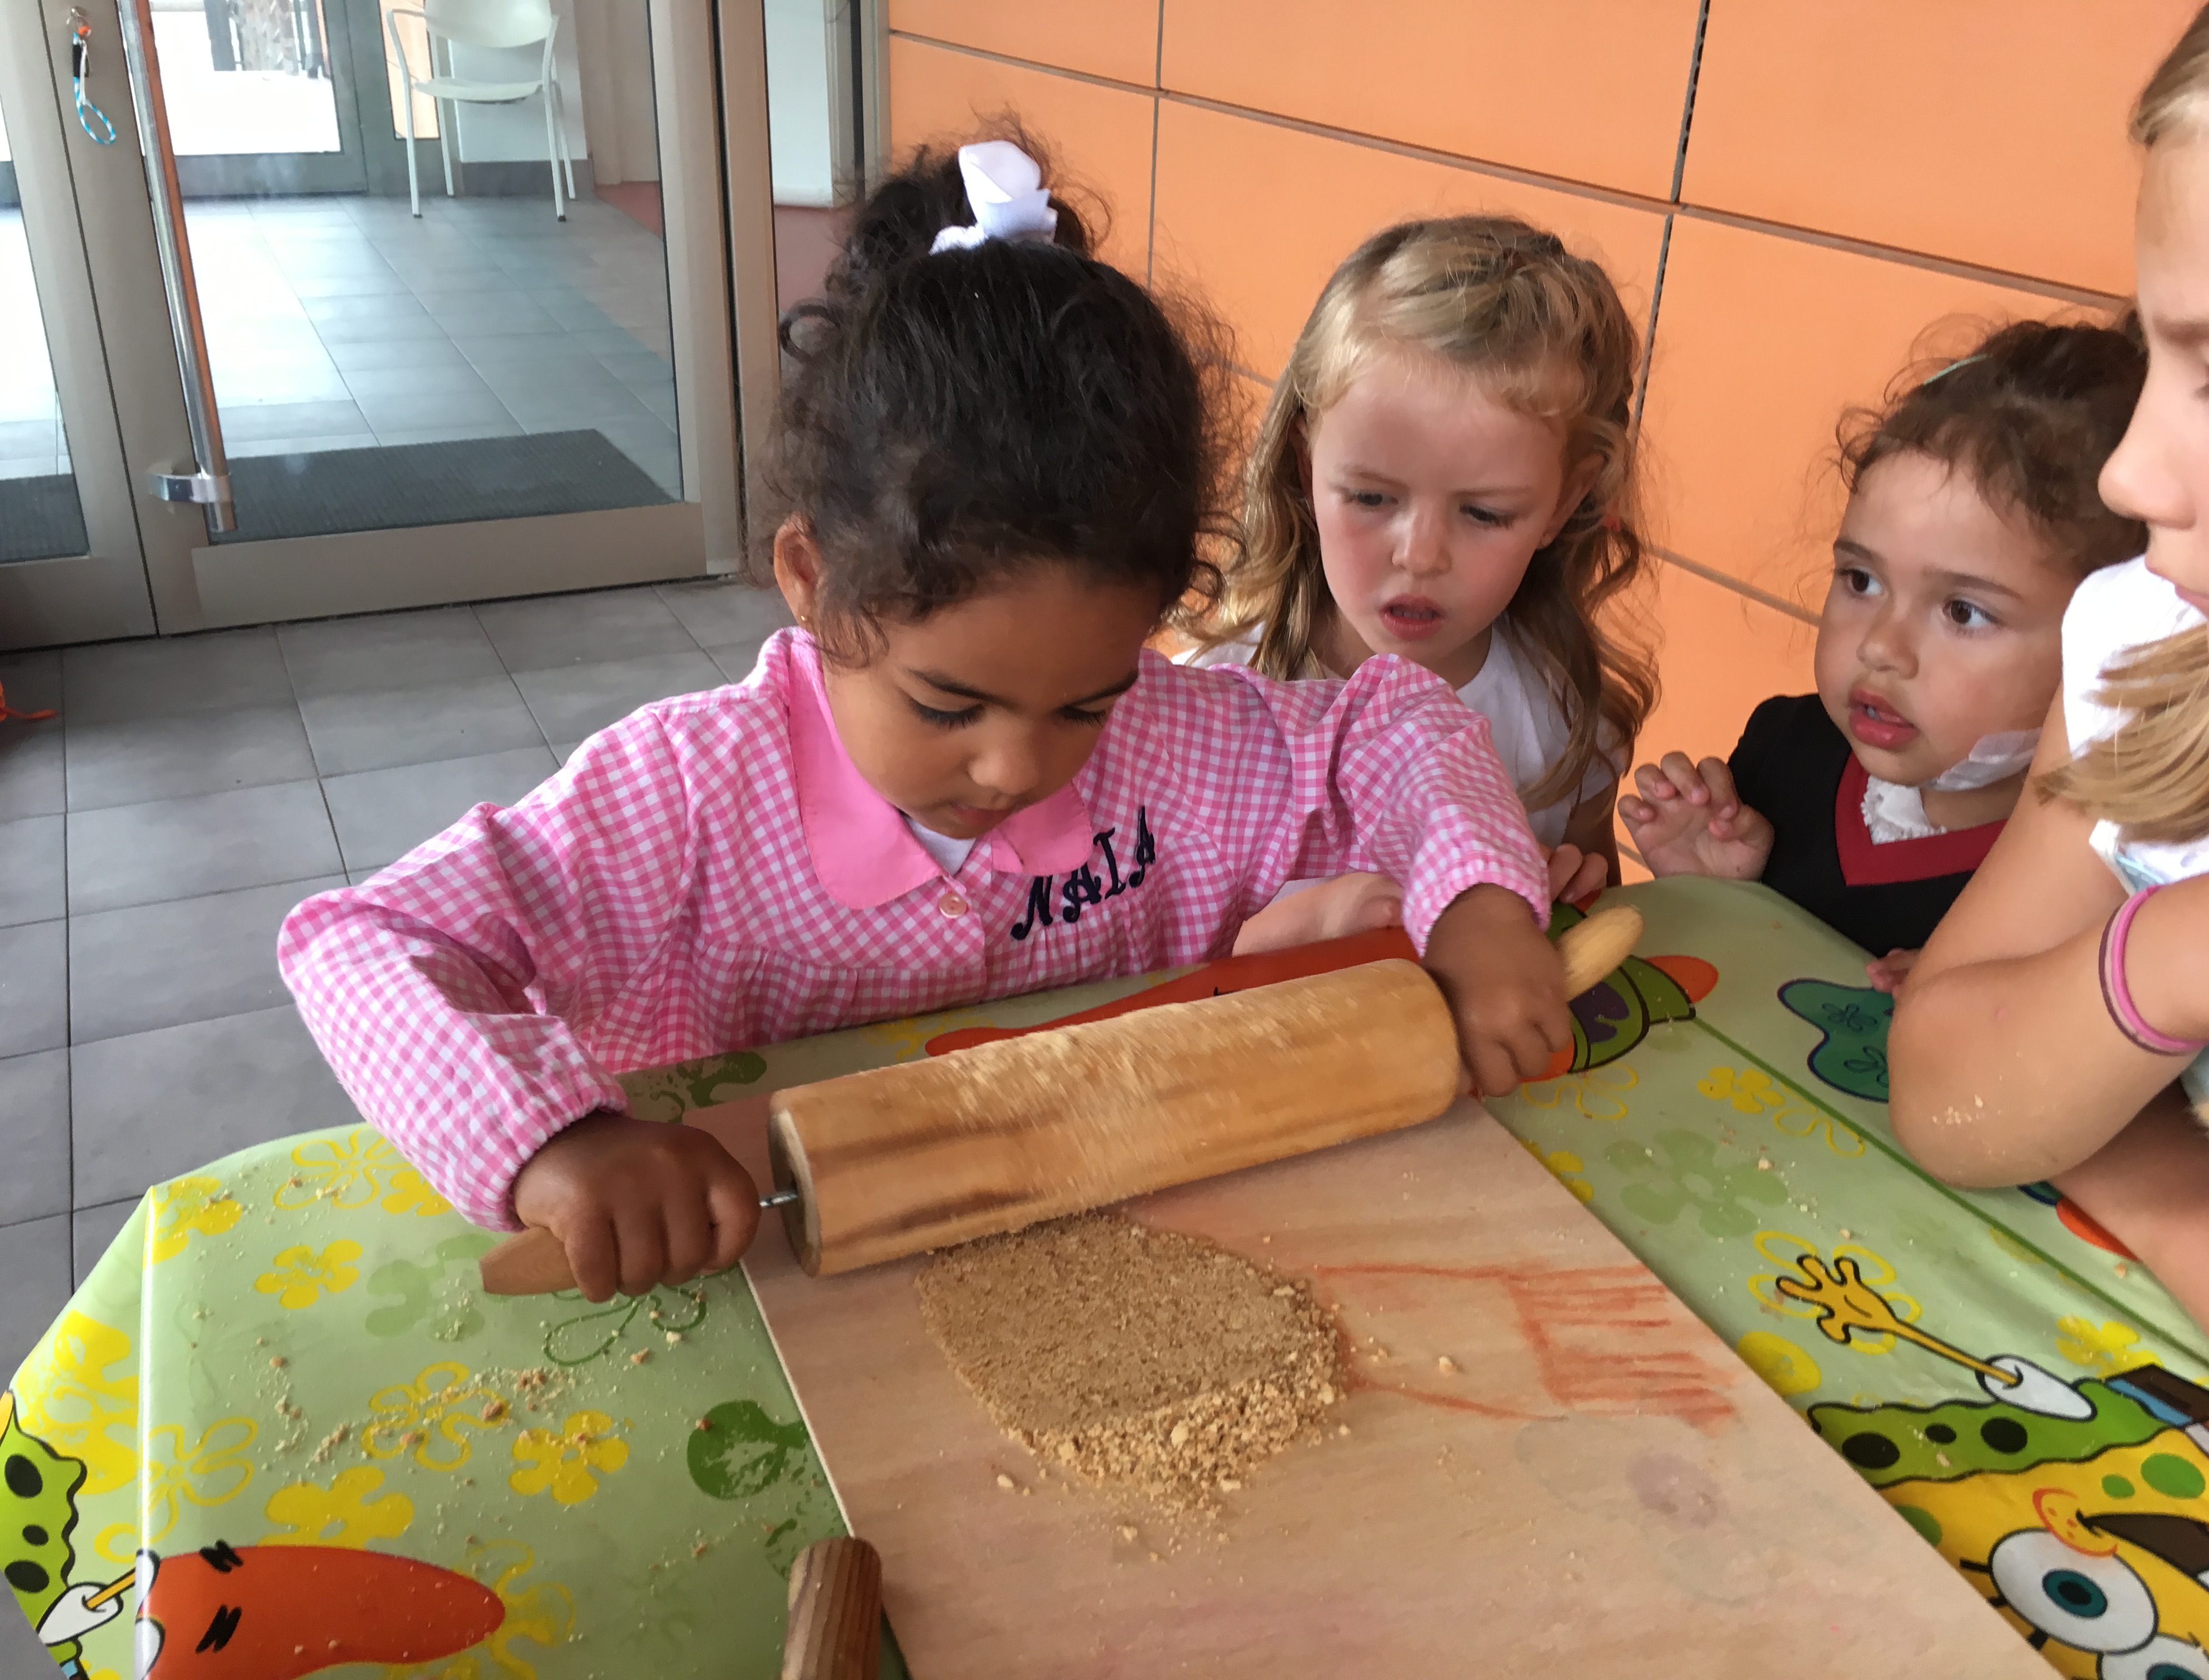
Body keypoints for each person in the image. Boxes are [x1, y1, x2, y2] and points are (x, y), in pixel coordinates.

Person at [278, 138, 1565, 1303]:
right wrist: (561, 1147)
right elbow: (365, 944)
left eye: (1087, 700)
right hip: (780, 1293)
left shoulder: (1176, 747)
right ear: (810, 578)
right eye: (949, 703)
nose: (1015, 765)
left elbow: (1394, 725)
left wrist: (1478, 906)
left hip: (1112, 1266)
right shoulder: (687, 792)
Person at [1890, 0, 2209, 1372]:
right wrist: (2187, 955)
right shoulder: (2154, 657)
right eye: (2162, 356)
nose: (2130, 474)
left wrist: (2111, 1118)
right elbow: (1946, 1085)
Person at [1618, 318, 2146, 991]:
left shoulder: (2108, 897)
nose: (1879, 646)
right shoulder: (1785, 748)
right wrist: (1715, 897)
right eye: (1861, 580)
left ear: (2122, 646)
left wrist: (2011, 1014)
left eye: (1963, 612)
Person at [1182, 216, 1657, 954]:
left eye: (1485, 513)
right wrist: (1308, 927)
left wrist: (1567, 896)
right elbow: (1145, 972)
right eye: (1371, 498)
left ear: (1566, 502)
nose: (1422, 555)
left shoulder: (1563, 718)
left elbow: (1595, 932)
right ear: (1306, 466)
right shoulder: (1209, 704)